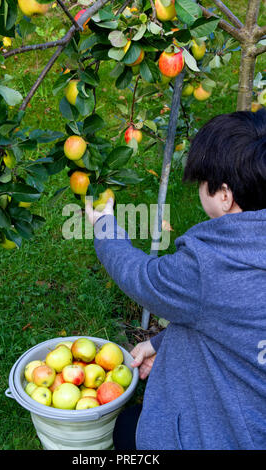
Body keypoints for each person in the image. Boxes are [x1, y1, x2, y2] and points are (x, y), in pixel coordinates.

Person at [85, 109, 266, 450]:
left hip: (222, 436)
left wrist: (104, 226)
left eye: (202, 182)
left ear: (225, 196)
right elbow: (235, 324)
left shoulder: (210, 265)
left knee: (129, 428)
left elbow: (142, 277)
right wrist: (162, 343)